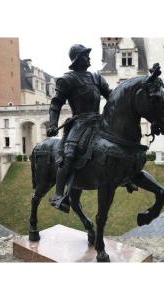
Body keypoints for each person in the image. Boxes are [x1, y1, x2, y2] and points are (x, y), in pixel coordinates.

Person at [47, 44, 112, 213]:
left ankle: (126, 176)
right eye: (85, 55)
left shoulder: (97, 78)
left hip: (99, 121)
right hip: (79, 123)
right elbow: (56, 104)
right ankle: (59, 195)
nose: (89, 58)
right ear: (77, 59)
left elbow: (111, 97)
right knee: (69, 155)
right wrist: (53, 124)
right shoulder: (67, 80)